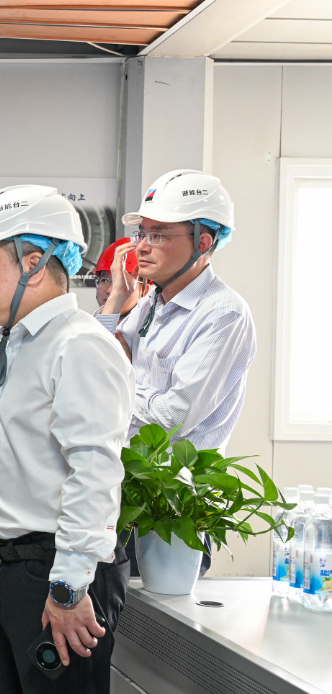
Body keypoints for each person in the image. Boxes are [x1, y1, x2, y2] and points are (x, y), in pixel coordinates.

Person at [0, 185, 134, 694]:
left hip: (57, 575)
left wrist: (68, 587)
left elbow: (95, 473)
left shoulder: (80, 345)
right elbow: (14, 457)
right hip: (10, 569)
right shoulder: (20, 343)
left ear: (34, 262)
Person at [99, 170, 254, 575]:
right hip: (123, 495)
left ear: (203, 242)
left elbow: (171, 418)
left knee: (151, 615)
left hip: (170, 511)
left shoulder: (223, 313)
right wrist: (116, 300)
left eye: (159, 235)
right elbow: (94, 366)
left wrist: (121, 387)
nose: (141, 246)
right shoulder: (153, 303)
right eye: (141, 233)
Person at [92, 237, 142, 321]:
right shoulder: (86, 326)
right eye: (104, 280)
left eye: (123, 281)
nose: (110, 290)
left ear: (145, 289)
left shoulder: (154, 328)